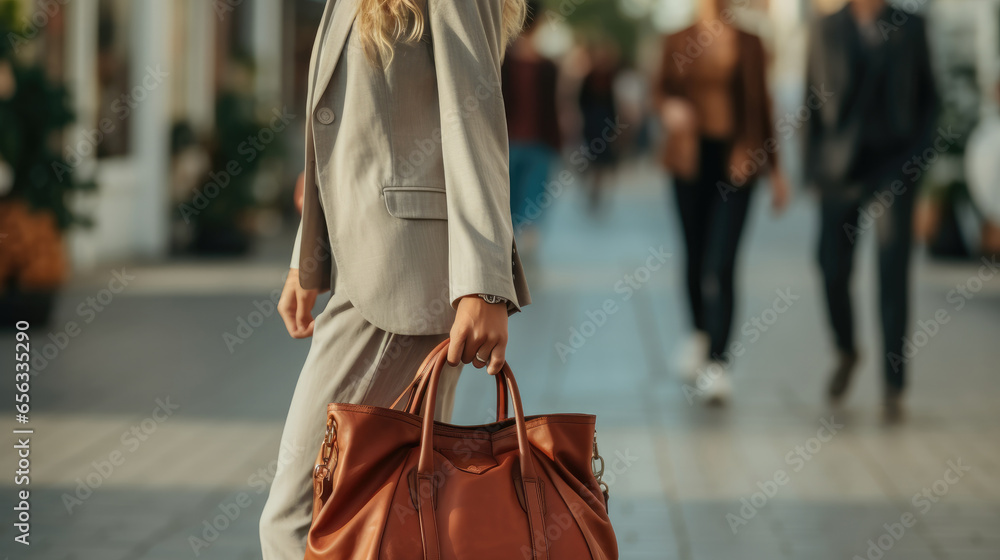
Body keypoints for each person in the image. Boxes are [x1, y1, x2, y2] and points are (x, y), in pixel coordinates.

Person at [258, 0, 531, 557]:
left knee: (300, 517)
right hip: (369, 271)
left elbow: (473, 111)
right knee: (390, 520)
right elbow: (336, 127)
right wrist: (306, 260)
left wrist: (483, 282)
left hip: (408, 277)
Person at [803, 0, 938, 422]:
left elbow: (930, 100)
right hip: (839, 170)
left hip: (894, 165)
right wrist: (811, 170)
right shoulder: (825, 29)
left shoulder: (911, 26)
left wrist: (916, 162)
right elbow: (810, 104)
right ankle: (846, 349)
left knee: (893, 270)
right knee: (830, 266)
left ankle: (894, 386)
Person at [654, 0, 789, 404]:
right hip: (689, 163)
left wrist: (776, 169)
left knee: (723, 262)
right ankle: (698, 333)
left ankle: (719, 363)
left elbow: (762, 105)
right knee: (694, 256)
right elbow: (659, 90)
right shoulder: (675, 39)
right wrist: (670, 108)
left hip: (738, 164)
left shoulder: (751, 42)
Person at [501, 0, 561, 242]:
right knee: (531, 200)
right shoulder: (547, 65)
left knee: (511, 200)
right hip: (536, 142)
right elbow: (556, 107)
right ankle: (523, 247)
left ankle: (515, 248)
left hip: (512, 141)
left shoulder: (502, 60)